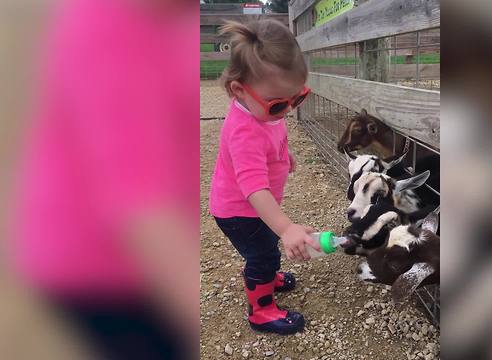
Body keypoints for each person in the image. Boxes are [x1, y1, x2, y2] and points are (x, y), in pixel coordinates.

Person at [9, 0, 199, 358]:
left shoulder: (176, 19)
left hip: (156, 243)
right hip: (102, 266)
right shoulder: (108, 22)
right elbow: (138, 195)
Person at [210, 19, 320, 335]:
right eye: (279, 105)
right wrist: (287, 228)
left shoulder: (263, 110)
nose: (287, 110)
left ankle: (269, 275)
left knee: (268, 245)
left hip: (256, 211)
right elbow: (254, 187)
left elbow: (275, 135)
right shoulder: (244, 131)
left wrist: (284, 157)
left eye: (297, 99)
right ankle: (261, 310)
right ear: (239, 91)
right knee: (263, 254)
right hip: (240, 212)